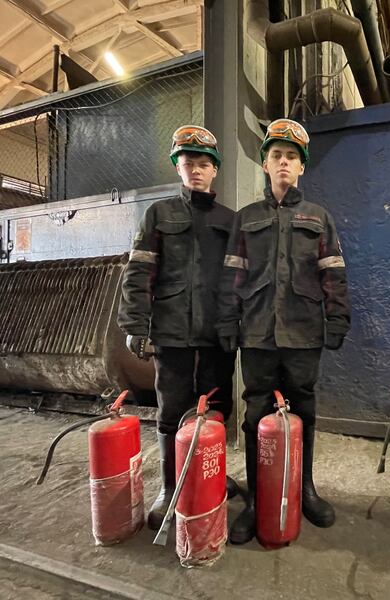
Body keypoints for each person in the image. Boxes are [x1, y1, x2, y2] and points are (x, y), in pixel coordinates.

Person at [217, 118, 350, 545]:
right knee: (256, 417)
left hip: (304, 334)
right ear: (265, 164)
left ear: (302, 167)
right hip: (256, 334)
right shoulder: (245, 219)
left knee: (304, 412)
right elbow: (231, 277)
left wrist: (338, 317)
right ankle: (257, 499)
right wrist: (226, 322)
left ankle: (304, 488)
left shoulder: (319, 218)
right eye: (276, 156)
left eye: (292, 157)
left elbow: (334, 274)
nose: (284, 163)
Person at [118, 125, 239, 530]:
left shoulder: (230, 221)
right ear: (178, 167)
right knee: (171, 412)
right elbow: (138, 273)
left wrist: (236, 325)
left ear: (215, 170)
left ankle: (212, 477)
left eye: (204, 164)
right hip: (171, 334)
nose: (197, 170)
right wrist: (135, 324)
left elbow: (238, 280)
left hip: (218, 335)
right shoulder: (159, 215)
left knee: (217, 411)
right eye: (188, 163)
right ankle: (170, 489)